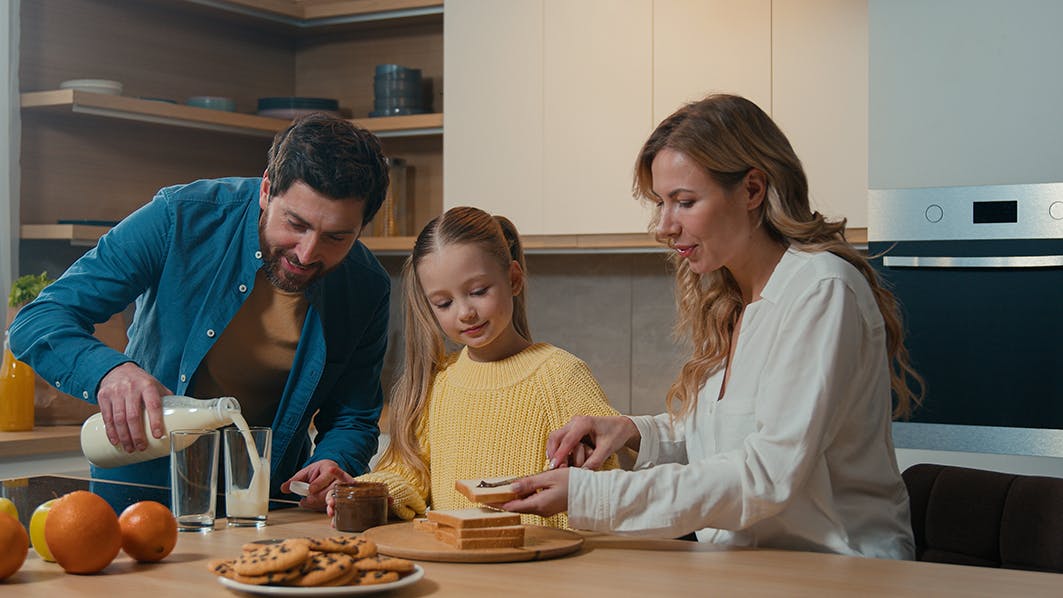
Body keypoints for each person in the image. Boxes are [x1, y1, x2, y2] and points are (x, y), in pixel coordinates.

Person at [501, 94, 923, 558]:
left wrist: (590, 494)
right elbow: (724, 438)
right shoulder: (733, 300)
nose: (664, 226)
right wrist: (632, 432)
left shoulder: (820, 290)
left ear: (752, 191)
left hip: (844, 571)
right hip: (750, 568)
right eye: (661, 204)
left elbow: (766, 475)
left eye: (684, 202)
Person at [9, 114, 392, 510]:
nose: (307, 253)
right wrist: (108, 372)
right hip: (143, 494)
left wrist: (333, 461)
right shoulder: (181, 217)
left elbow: (354, 415)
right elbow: (39, 319)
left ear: (361, 228)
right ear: (266, 190)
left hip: (267, 505)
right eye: (295, 224)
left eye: (336, 237)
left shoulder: (366, 286)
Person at [326, 206, 619, 528]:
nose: (465, 312)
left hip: (544, 569)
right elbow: (409, 475)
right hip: (456, 570)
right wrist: (372, 491)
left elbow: (603, 485)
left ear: (514, 279)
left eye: (478, 292)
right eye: (444, 303)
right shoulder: (439, 383)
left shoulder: (561, 376)